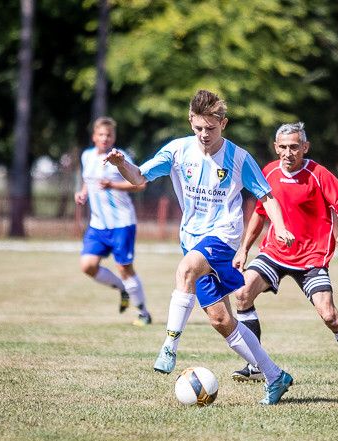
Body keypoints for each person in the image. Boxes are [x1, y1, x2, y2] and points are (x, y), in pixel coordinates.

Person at [103, 90, 295, 405]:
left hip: (223, 236)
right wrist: (122, 163)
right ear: (191, 120)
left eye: (211, 128)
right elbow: (138, 178)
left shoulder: (239, 158)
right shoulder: (178, 151)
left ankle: (169, 345)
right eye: (199, 128)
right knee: (221, 320)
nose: (205, 134)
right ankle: (275, 376)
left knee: (186, 270)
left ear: (224, 124)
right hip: (192, 239)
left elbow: (266, 196)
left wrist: (282, 226)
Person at [231, 122, 338, 389]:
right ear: (275, 147)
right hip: (275, 253)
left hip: (311, 259)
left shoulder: (318, 174)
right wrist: (244, 249)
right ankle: (256, 366)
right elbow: (259, 213)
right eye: (283, 147)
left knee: (329, 315)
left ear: (305, 147)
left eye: (294, 147)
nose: (288, 153)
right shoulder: (268, 172)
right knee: (243, 294)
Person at [74, 117, 152, 327]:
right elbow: (88, 180)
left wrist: (113, 185)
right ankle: (123, 288)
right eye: (101, 135)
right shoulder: (87, 156)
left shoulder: (120, 157)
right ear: (94, 137)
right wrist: (82, 193)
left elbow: (141, 184)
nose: (105, 138)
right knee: (87, 265)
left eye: (108, 135)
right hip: (98, 224)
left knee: (125, 268)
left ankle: (144, 313)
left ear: (113, 138)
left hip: (121, 223)